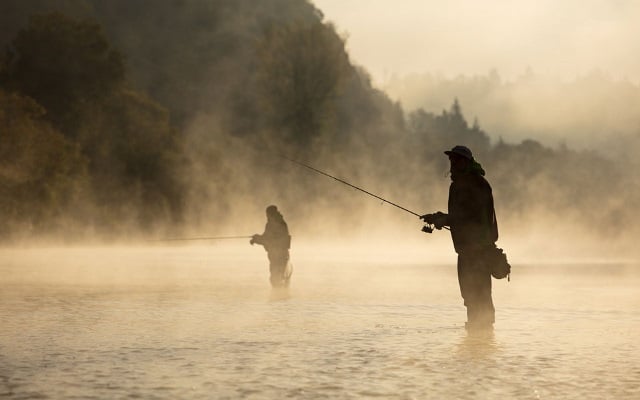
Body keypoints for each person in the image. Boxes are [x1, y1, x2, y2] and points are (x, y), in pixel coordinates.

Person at [421, 145, 499, 331]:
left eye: (456, 160)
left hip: (476, 251)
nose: (453, 164)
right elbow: (462, 216)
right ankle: (480, 336)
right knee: (475, 295)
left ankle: (480, 332)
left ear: (466, 162)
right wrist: (440, 217)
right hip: (471, 249)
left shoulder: (469, 184)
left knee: (476, 294)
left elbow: (468, 217)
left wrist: (443, 219)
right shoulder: (473, 182)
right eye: (451, 160)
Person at [250, 205, 292, 288]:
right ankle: (280, 296)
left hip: (279, 255)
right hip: (278, 255)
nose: (267, 216)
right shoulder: (276, 223)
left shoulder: (276, 224)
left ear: (271, 214)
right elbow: (266, 238)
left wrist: (256, 239)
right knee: (277, 277)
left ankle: (279, 296)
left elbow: (267, 239)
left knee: (276, 278)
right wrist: (256, 238)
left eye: (267, 214)